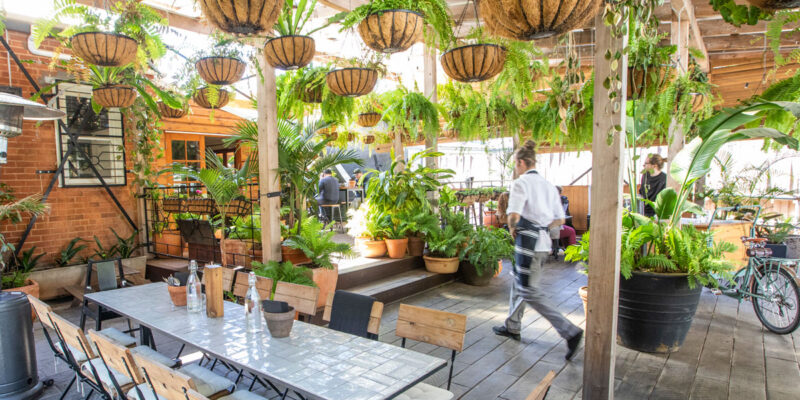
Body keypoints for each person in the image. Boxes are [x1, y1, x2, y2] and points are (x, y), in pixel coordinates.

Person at [493, 140, 584, 361]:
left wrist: (514, 229)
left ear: (521, 163)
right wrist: (541, 227)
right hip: (544, 243)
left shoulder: (521, 183)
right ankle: (512, 325)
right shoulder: (548, 186)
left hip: (528, 244)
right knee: (519, 281)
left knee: (529, 290)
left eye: (516, 164)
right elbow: (560, 219)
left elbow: (513, 215)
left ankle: (570, 331)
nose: (516, 168)